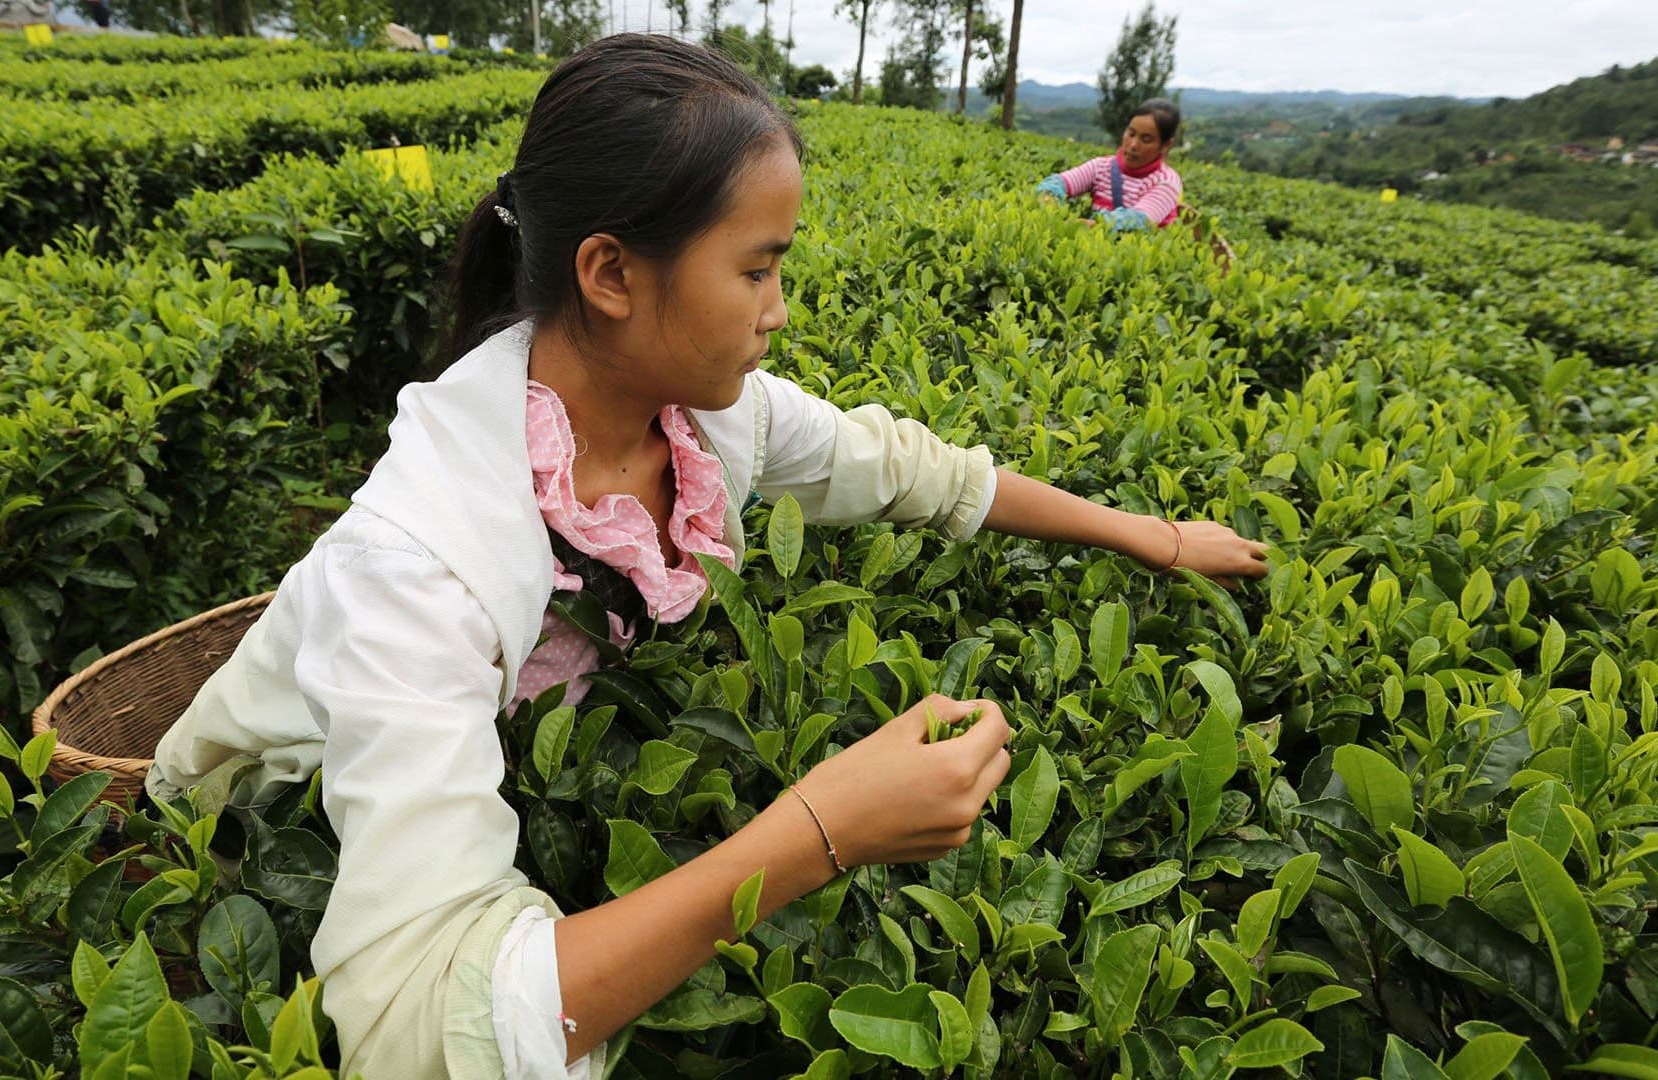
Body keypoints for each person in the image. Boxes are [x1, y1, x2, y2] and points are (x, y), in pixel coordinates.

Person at [147, 34, 1267, 1080]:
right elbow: (415, 1022)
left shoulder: (704, 414)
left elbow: (913, 473)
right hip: (266, 847)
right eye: (756, 271)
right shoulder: (421, 560)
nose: (779, 310)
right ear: (611, 274)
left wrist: (1156, 537)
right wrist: (822, 830)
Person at [1036, 98, 1184, 232]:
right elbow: (1057, 183)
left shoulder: (1167, 181)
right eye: (1131, 134)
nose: (1133, 145)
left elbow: (1139, 221)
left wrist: (1083, 225)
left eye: (1146, 140)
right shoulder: (1101, 167)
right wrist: (1049, 201)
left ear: (1165, 145)